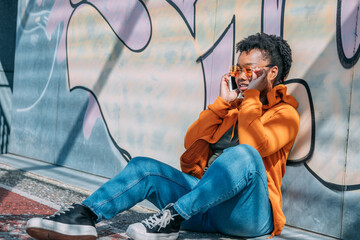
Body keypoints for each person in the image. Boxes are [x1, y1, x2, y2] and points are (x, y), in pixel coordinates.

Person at [25, 33, 300, 240]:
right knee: (144, 167)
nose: (241, 76)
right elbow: (190, 143)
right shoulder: (232, 109)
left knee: (243, 154)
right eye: (238, 69)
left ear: (272, 73)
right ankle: (86, 214)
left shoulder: (286, 114)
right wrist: (221, 104)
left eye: (250, 70)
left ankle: (173, 216)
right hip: (203, 208)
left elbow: (255, 144)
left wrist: (251, 96)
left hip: (247, 216)